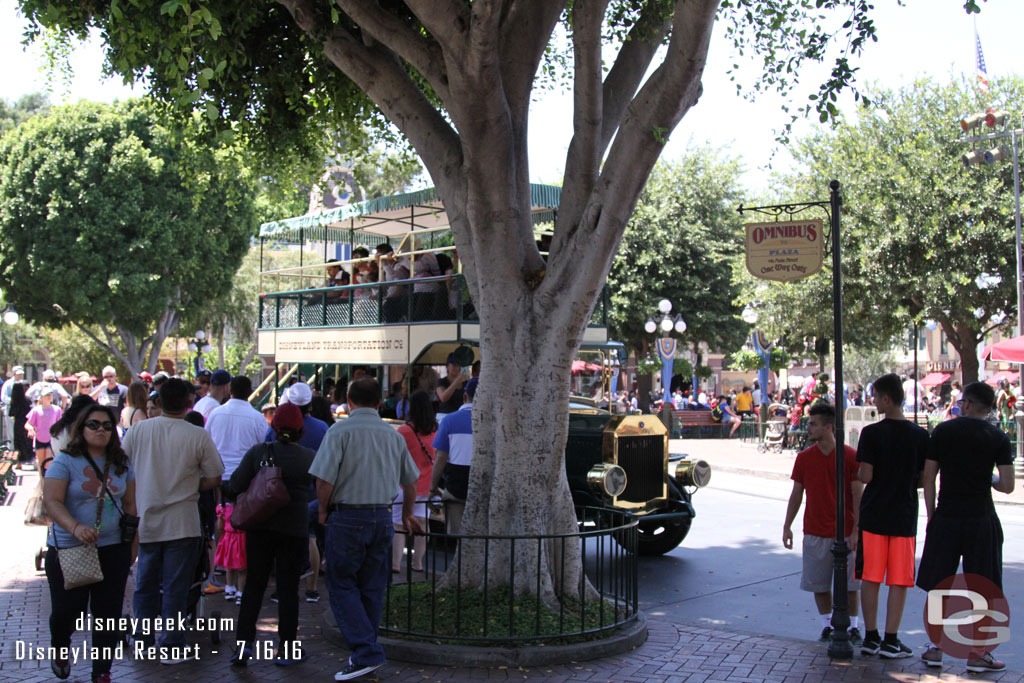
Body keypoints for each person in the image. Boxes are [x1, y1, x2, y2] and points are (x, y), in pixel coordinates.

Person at [309, 377, 421, 681]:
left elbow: (324, 480)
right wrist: (408, 513)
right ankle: (365, 650)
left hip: (347, 517)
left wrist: (321, 509)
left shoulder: (339, 431)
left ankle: (365, 652)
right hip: (382, 518)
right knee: (372, 587)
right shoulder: (393, 435)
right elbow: (410, 482)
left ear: (349, 399)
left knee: (342, 583)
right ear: (378, 402)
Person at [121, 378, 223, 660]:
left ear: (159, 403)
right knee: (176, 587)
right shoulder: (197, 435)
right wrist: (191, 485)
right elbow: (214, 477)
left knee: (145, 584)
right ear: (189, 403)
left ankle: (142, 636)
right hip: (183, 521)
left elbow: (120, 467)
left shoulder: (138, 431)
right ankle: (172, 643)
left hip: (146, 519)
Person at [915, 381, 1014, 672]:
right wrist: (989, 478)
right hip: (981, 517)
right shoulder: (998, 437)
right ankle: (978, 653)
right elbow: (1007, 485)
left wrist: (932, 515)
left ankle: (935, 648)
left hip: (947, 514)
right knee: (983, 585)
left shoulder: (944, 431)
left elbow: (928, 478)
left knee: (939, 585)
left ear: (967, 403)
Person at [43, 404, 137, 683]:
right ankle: (60, 645)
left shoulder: (122, 462)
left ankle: (102, 672)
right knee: (67, 611)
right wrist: (75, 527)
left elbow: (130, 505)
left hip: (113, 548)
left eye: (107, 425)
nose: (101, 430)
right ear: (81, 428)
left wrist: (132, 546)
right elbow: (52, 501)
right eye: (94, 424)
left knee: (107, 615)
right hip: (70, 548)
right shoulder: (65, 461)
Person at [230, 402, 315, 666]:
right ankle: (287, 649)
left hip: (260, 527)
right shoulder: (308, 457)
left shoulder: (258, 453)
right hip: (294, 529)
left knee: (254, 585)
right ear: (300, 429)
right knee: (289, 589)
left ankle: (242, 646)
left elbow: (234, 486)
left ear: (274, 426)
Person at [854, 373, 928, 658]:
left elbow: (866, 475)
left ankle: (870, 636)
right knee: (899, 579)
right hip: (903, 513)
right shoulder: (920, 435)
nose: (873, 401)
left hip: (874, 513)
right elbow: (923, 478)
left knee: (870, 576)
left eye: (875, 396)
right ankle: (891, 639)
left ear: (886, 398)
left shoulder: (871, 433)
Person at [782, 402, 863, 644]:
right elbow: (797, 493)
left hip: (846, 530)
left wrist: (858, 529)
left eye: (814, 424)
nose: (809, 428)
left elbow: (858, 494)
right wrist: (787, 525)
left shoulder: (849, 457)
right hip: (815, 530)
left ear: (828, 427)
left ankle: (853, 627)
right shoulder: (805, 458)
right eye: (809, 423)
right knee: (819, 583)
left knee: (851, 585)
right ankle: (826, 624)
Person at [392, 391, 436, 573]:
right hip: (425, 486)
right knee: (422, 525)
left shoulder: (403, 431)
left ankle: (395, 564)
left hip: (403, 485)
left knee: (399, 525)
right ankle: (417, 563)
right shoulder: (435, 431)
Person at [431, 377, 477, 534]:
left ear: (465, 397)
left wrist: (432, 488)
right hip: (483, 490)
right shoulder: (492, 422)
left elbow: (440, 458)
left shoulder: (449, 421)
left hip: (455, 488)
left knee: (457, 537)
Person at [205, 375, 266, 482]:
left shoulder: (215, 414)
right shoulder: (258, 418)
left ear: (230, 390)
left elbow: (205, 442)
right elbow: (264, 447)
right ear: (251, 392)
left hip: (219, 476)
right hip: (246, 478)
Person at [215, 501, 246, 605]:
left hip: (235, 538)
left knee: (238, 567)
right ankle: (235, 589)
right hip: (234, 538)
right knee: (236, 567)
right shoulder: (244, 504)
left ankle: (235, 590)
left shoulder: (227, 507)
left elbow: (220, 527)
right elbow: (220, 526)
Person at [27, 387, 62, 470]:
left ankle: (47, 481)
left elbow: (60, 423)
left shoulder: (57, 410)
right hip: (39, 439)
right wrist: (30, 429)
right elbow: (28, 424)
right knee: (41, 463)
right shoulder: (36, 410)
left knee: (48, 463)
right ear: (41, 397)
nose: (49, 396)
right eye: (46, 395)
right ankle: (42, 481)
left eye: (50, 394)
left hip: (51, 439)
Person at [10, 381, 33, 466]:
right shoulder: (27, 399)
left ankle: (19, 463)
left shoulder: (14, 401)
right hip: (27, 422)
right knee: (27, 442)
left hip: (17, 423)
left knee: (18, 442)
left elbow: (11, 413)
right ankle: (29, 459)